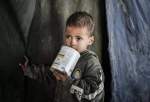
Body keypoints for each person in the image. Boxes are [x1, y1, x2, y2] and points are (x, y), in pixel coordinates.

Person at [52, 11, 105, 102]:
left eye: (78, 38)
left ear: (90, 41)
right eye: (68, 36)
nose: (72, 42)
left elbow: (93, 92)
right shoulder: (65, 54)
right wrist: (29, 70)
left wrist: (68, 81)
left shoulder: (91, 62)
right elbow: (52, 75)